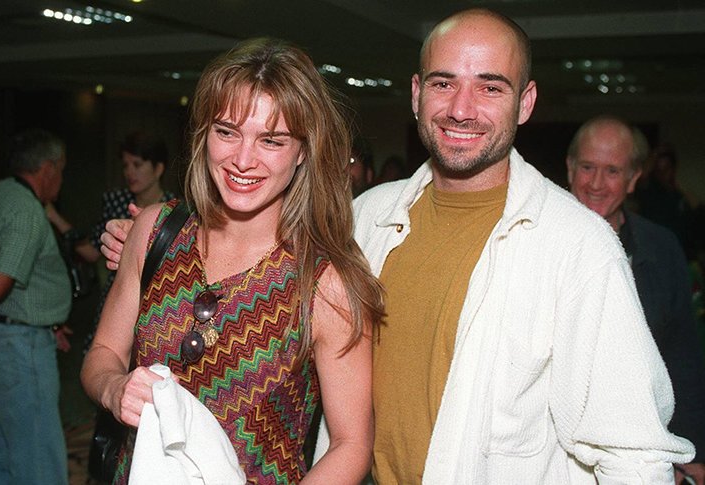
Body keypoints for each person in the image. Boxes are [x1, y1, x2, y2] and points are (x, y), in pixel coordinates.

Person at [101, 9, 696, 484]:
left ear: (527, 101)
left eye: (490, 87)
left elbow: (633, 454)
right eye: (443, 83)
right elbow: (266, 263)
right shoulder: (368, 216)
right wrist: (149, 250)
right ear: (416, 94)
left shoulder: (578, 247)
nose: (461, 108)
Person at [81, 38, 384, 484]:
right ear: (204, 134)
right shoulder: (155, 232)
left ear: (303, 151)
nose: (242, 160)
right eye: (226, 132)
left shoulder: (324, 282)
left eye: (271, 140)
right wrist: (114, 388)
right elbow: (104, 353)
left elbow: (351, 443)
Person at [566, 115, 705, 485]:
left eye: (612, 171)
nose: (596, 184)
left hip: (639, 451)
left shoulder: (661, 248)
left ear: (633, 179)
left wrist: (692, 451)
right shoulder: (535, 241)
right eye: (587, 167)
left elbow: (682, 356)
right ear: (569, 168)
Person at [0, 129, 73, 484]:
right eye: (61, 170)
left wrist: (48, 321)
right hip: (19, 345)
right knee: (39, 458)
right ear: (47, 169)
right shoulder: (27, 209)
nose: (60, 180)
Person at [46, 130, 176, 349]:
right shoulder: (116, 200)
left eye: (137, 164)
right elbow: (91, 251)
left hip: (158, 303)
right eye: (125, 165)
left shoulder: (175, 210)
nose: (129, 172)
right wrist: (54, 217)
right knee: (104, 355)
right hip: (117, 297)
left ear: (158, 168)